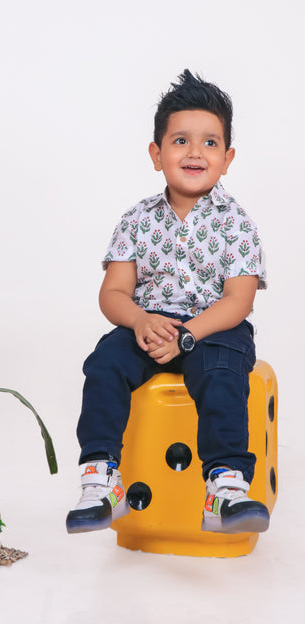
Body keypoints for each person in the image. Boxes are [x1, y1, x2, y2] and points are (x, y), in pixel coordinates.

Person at [66, 69, 270, 535]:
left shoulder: (237, 224)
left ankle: (225, 486)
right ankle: (101, 477)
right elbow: (113, 292)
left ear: (228, 157)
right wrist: (139, 321)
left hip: (212, 330)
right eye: (180, 140)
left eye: (210, 143)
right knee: (103, 364)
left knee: (221, 375)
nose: (195, 152)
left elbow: (238, 301)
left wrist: (189, 334)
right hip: (150, 325)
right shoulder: (137, 219)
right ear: (157, 154)